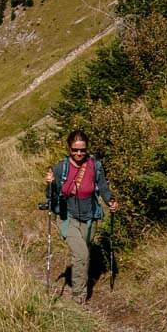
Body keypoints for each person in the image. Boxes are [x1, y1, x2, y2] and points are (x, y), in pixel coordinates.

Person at [43, 130, 119, 304]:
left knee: (84, 252)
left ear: (86, 149)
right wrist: (49, 184)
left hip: (90, 217)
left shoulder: (95, 166)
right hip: (67, 217)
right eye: (75, 150)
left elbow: (103, 188)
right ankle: (79, 295)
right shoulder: (60, 168)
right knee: (81, 254)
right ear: (69, 148)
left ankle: (80, 279)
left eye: (82, 150)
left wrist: (111, 201)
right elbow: (51, 195)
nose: (79, 153)